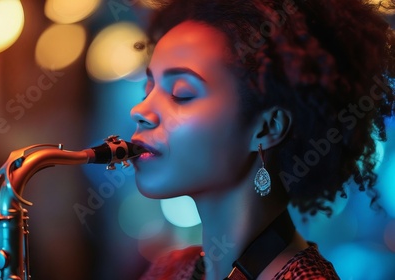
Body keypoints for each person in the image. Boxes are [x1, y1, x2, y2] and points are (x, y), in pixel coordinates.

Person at [128, 0, 395, 279]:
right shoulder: (167, 270)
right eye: (148, 90)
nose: (139, 111)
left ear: (268, 128)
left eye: (182, 93)